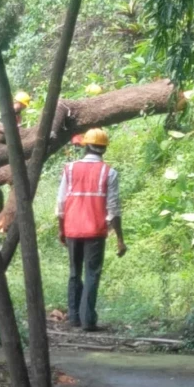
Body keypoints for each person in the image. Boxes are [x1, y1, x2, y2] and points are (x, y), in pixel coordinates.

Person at [56, 128, 127, 331]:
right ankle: (88, 320)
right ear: (104, 149)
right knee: (92, 274)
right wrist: (120, 239)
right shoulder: (109, 172)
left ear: (86, 145)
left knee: (74, 272)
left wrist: (61, 229)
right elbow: (113, 209)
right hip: (95, 231)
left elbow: (60, 204)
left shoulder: (69, 169)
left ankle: (74, 318)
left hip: (71, 229)